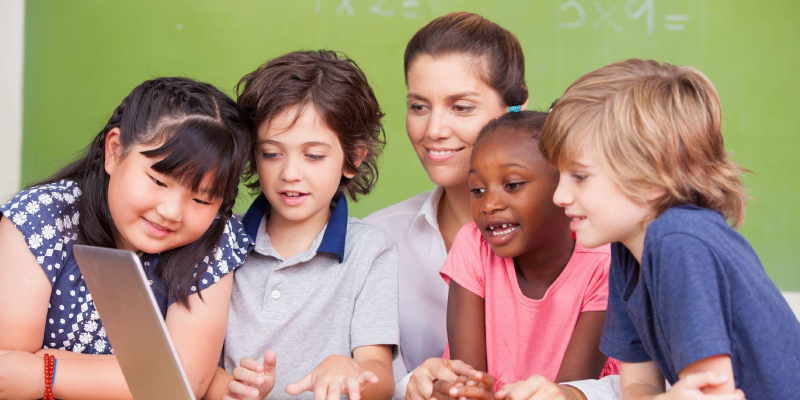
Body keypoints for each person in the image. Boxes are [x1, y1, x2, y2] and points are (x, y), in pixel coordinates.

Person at [540, 58, 800, 399]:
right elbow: (641, 387)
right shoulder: (628, 249)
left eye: (580, 177)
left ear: (652, 181)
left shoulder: (678, 243)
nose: (559, 195)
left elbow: (713, 395)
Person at [0, 77, 253, 399]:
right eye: (159, 181)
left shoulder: (214, 239)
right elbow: (9, 370)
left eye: (201, 200)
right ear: (115, 152)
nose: (172, 211)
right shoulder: (43, 216)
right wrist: (146, 376)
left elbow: (181, 385)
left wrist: (46, 373)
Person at [204, 50, 398, 400]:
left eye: (313, 156)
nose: (290, 173)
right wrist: (231, 388)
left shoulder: (370, 250)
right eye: (272, 153)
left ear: (353, 159)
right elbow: (195, 363)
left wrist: (349, 371)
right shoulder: (218, 240)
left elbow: (380, 375)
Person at [363, 12, 527, 398]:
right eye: (419, 107)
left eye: (461, 107)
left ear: (515, 109)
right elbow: (372, 370)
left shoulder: (575, 238)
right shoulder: (379, 238)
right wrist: (413, 386)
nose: (434, 130)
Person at [427, 111, 618, 400]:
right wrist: (466, 391)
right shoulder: (474, 246)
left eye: (513, 185)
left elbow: (568, 389)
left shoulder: (603, 264)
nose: (488, 204)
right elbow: (469, 377)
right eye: (477, 189)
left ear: (563, 189)